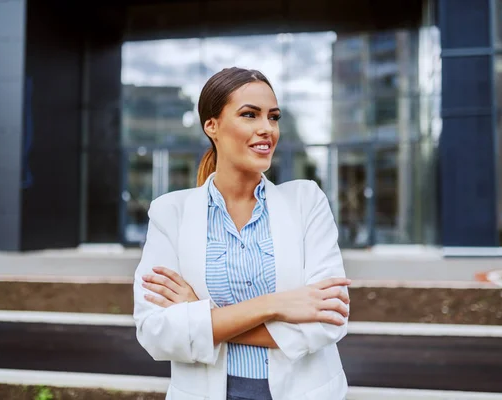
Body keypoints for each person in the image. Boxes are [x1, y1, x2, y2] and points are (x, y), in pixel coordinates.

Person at [133, 67, 350, 400]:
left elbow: (328, 320)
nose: (267, 129)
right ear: (212, 126)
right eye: (250, 115)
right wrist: (275, 305)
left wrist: (203, 318)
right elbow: (156, 332)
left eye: (273, 117)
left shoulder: (306, 201)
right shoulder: (169, 213)